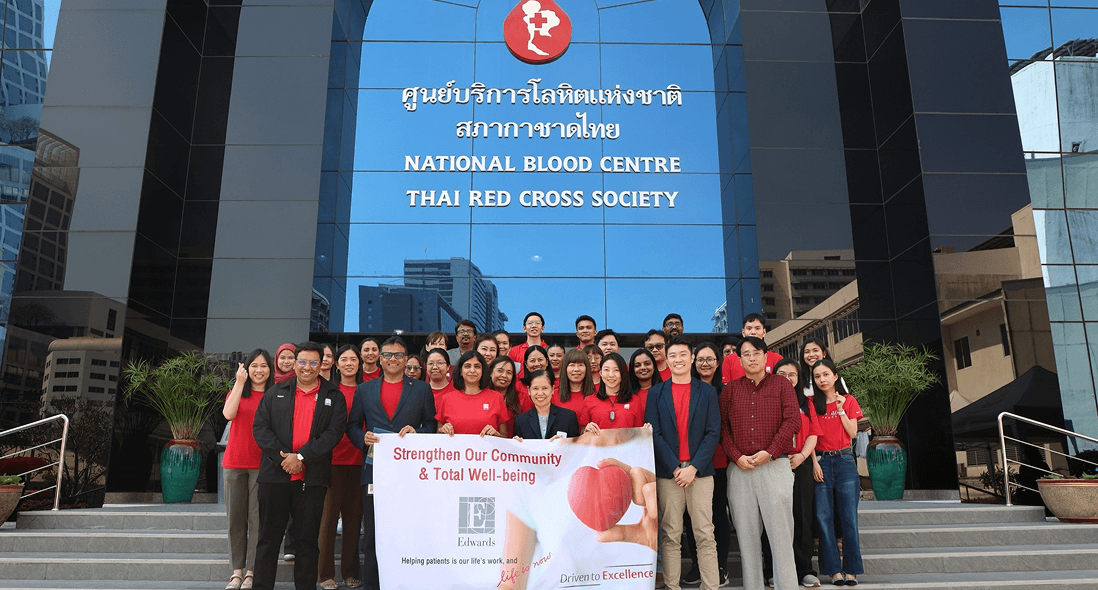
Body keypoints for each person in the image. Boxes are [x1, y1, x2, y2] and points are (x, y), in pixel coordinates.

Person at [251, 342, 348, 590]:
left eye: (313, 362)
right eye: (302, 361)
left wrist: (302, 457)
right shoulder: (275, 392)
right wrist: (284, 459)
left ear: (321, 364)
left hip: (312, 480)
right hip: (275, 476)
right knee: (268, 540)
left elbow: (334, 433)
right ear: (294, 363)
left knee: (307, 542)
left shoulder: (334, 396)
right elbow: (261, 428)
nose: (307, 367)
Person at [347, 336, 437, 590]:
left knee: (408, 532)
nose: (392, 359)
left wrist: (418, 432)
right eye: (387, 355)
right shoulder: (364, 390)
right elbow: (352, 426)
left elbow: (432, 424)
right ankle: (372, 585)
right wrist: (362, 438)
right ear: (380, 359)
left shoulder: (422, 389)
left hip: (410, 473)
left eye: (398, 355)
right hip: (374, 470)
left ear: (406, 359)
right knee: (373, 534)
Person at [720, 336, 801, 590]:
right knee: (747, 541)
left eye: (756, 352)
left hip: (774, 467)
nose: (751, 358)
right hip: (740, 470)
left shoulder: (781, 384)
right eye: (746, 354)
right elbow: (723, 428)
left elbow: (793, 420)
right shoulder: (730, 390)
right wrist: (736, 456)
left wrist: (771, 451)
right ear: (739, 360)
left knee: (781, 538)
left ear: (766, 356)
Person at [644, 336, 722, 590]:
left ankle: (710, 586)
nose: (677, 360)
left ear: (692, 358)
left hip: (701, 473)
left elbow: (713, 432)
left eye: (682, 355)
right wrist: (675, 468)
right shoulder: (656, 393)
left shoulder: (707, 392)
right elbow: (654, 433)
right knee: (670, 535)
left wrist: (693, 467)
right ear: (666, 360)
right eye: (672, 356)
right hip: (670, 475)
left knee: (705, 533)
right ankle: (672, 586)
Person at [760, 358, 821, 588]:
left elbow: (813, 433)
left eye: (792, 374)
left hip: (800, 463)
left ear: (799, 378)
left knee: (802, 517)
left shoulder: (806, 403)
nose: (787, 378)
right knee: (773, 518)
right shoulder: (765, 399)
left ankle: (804, 570)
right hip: (774, 462)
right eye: (782, 373)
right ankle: (772, 569)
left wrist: (802, 456)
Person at [222, 349, 273, 590]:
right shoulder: (238, 391)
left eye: (264, 365)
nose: (259, 370)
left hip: (262, 466)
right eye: (254, 365)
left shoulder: (274, 395)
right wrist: (239, 383)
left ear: (270, 369)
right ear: (246, 368)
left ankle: (252, 571)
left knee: (257, 520)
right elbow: (228, 414)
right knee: (235, 520)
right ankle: (236, 572)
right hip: (234, 464)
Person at [682, 342, 731, 587]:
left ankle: (720, 566)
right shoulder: (686, 389)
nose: (705, 364)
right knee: (692, 516)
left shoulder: (725, 392)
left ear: (718, 362)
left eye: (710, 359)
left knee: (717, 515)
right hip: (691, 463)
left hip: (719, 461)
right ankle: (697, 564)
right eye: (700, 359)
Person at [811, 359, 864, 586]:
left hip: (845, 461)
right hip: (821, 461)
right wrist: (814, 464)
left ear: (835, 376)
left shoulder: (848, 400)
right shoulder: (812, 403)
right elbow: (810, 437)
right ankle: (833, 571)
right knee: (824, 518)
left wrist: (841, 409)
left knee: (849, 517)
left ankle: (851, 570)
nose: (822, 380)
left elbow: (852, 433)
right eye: (817, 376)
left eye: (825, 374)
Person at [317, 345, 365, 590]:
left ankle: (350, 572)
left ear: (359, 363)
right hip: (332, 462)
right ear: (337, 364)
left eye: (353, 359)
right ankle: (325, 574)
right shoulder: (329, 391)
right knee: (327, 522)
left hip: (359, 462)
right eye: (344, 359)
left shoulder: (367, 390)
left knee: (353, 521)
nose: (348, 363)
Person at [437, 350, 510, 437]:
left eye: (477, 366)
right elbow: (438, 434)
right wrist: (443, 431)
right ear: (460, 371)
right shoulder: (447, 399)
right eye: (467, 366)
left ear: (483, 371)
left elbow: (505, 436)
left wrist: (496, 435)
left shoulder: (497, 398)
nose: (472, 370)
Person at [581, 353, 644, 432]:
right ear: (600, 373)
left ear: (623, 374)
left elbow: (639, 433)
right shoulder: (589, 401)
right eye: (606, 370)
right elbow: (582, 432)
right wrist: (586, 430)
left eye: (616, 370)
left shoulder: (635, 400)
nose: (611, 375)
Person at [512, 369, 579, 440]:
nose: (540, 393)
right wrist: (515, 443)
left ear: (552, 389)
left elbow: (576, 445)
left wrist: (567, 442)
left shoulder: (568, 417)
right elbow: (516, 446)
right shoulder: (520, 421)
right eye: (535, 388)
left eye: (545, 388)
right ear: (529, 390)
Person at [722, 313, 783, 383]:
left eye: (757, 328)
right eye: (749, 328)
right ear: (743, 332)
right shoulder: (729, 360)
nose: (753, 332)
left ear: (764, 332)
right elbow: (726, 386)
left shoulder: (777, 358)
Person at [553, 349, 594, 424]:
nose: (576, 369)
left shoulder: (595, 395)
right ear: (565, 368)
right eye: (572, 365)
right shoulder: (553, 395)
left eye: (580, 365)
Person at [488, 355, 522, 438]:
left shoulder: (521, 398)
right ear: (491, 373)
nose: (504, 375)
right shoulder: (481, 396)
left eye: (509, 373)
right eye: (500, 371)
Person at [509, 312, 548, 378]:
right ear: (524, 328)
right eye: (530, 323)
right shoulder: (514, 350)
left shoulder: (548, 350)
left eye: (538, 323)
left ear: (543, 328)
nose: (534, 326)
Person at [627, 347, 662, 416]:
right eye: (637, 365)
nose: (643, 368)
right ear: (632, 369)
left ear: (654, 366)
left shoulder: (664, 391)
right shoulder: (626, 394)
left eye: (647, 364)